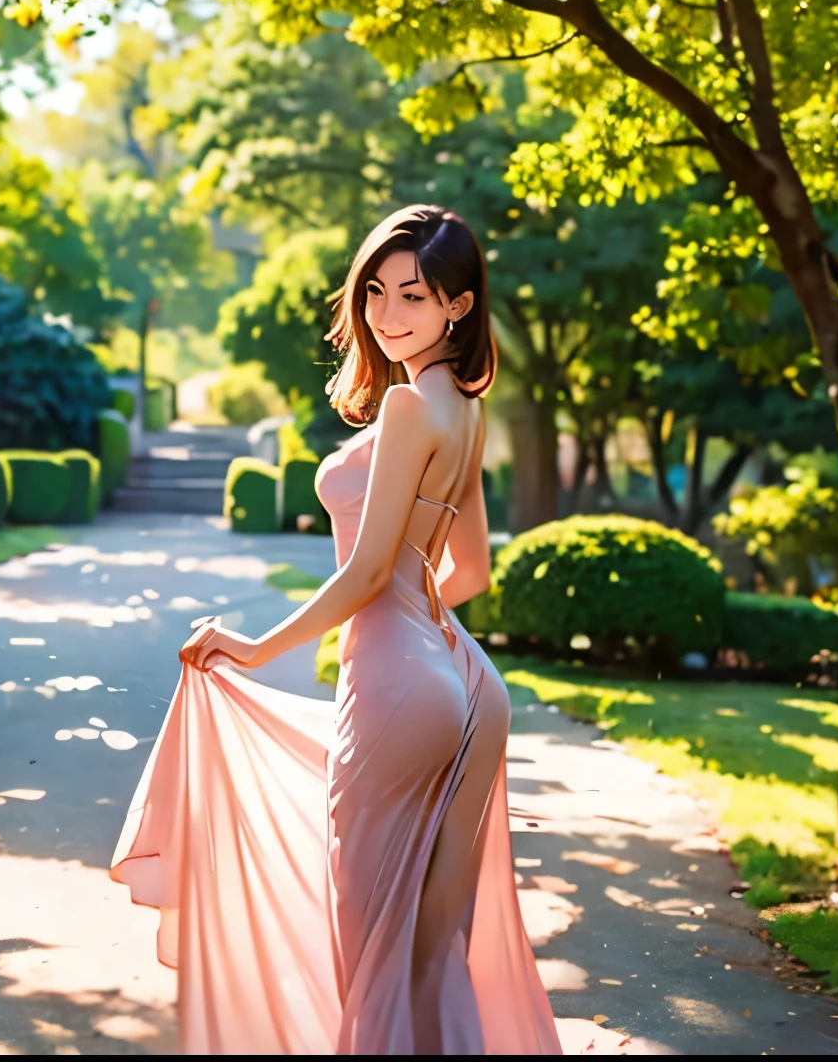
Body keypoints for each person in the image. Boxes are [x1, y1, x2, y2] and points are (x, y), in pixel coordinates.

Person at [110, 205, 563, 1054]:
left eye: (415, 298)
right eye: (378, 293)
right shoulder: (464, 408)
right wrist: (423, 628)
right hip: (465, 686)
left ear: (457, 307)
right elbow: (469, 573)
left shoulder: (405, 408)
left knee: (372, 954)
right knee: (428, 958)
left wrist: (254, 648)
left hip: (400, 680)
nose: (389, 316)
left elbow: (363, 574)